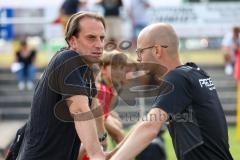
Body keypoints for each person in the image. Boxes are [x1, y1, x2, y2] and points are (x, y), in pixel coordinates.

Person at [108, 23, 233, 160]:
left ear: (157, 50)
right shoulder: (194, 73)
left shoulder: (176, 79)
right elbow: (146, 122)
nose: (138, 59)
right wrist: (114, 153)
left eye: (140, 52)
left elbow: (149, 127)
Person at [16, 12, 107, 160]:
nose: (99, 44)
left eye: (101, 38)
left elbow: (93, 105)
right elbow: (79, 110)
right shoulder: (68, 59)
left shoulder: (83, 68)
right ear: (72, 41)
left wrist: (101, 140)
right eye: (91, 37)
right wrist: (97, 154)